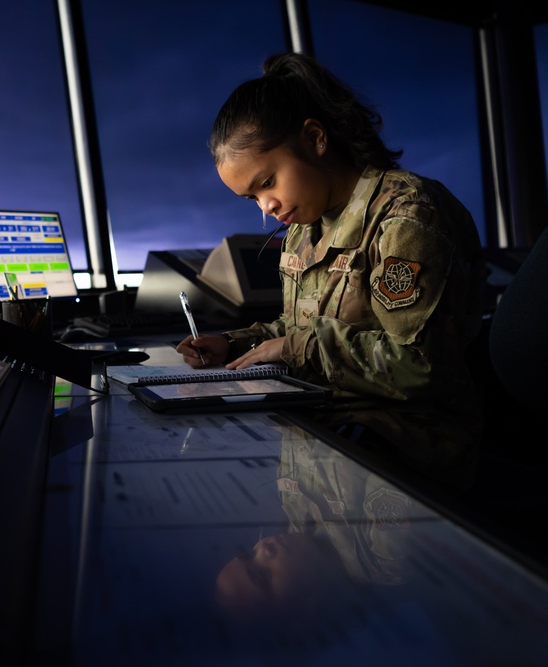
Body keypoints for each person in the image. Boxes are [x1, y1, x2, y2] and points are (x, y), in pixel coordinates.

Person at [176, 52, 488, 490]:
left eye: (267, 183)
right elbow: (297, 326)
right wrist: (232, 345)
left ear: (315, 139)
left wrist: (295, 349)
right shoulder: (305, 228)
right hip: (325, 434)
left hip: (407, 447)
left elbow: (420, 366)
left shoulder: (408, 216)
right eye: (253, 198)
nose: (267, 208)